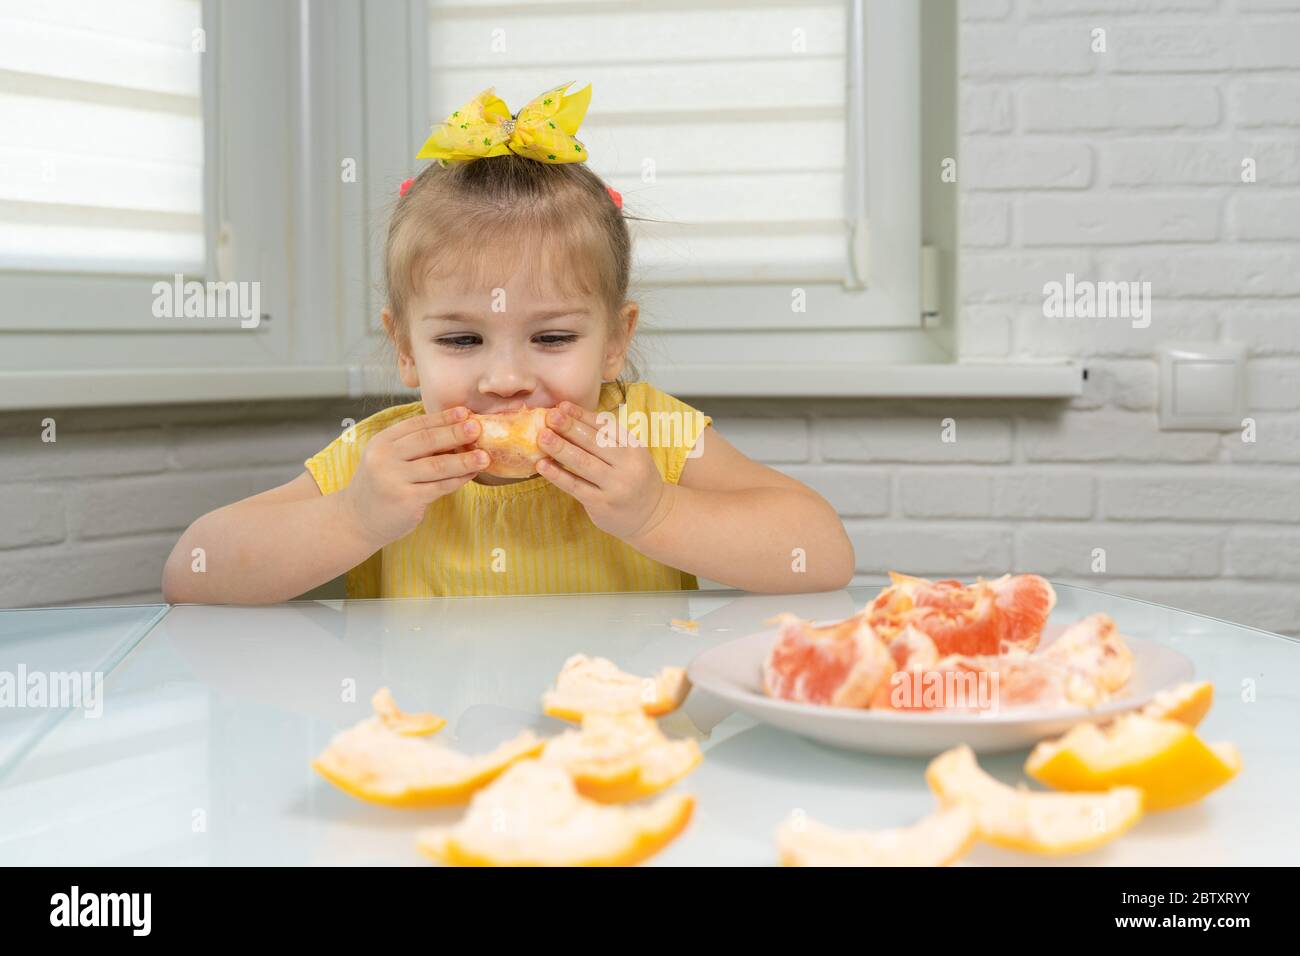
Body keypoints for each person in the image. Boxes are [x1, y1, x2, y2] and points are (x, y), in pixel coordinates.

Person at [162, 82, 854, 603]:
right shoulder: (385, 455)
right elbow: (192, 573)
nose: (505, 378)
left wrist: (659, 511)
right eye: (462, 338)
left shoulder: (647, 431)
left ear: (615, 342)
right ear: (405, 348)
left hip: (612, 752)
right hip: (433, 760)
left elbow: (822, 554)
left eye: (551, 336)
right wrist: (353, 516)